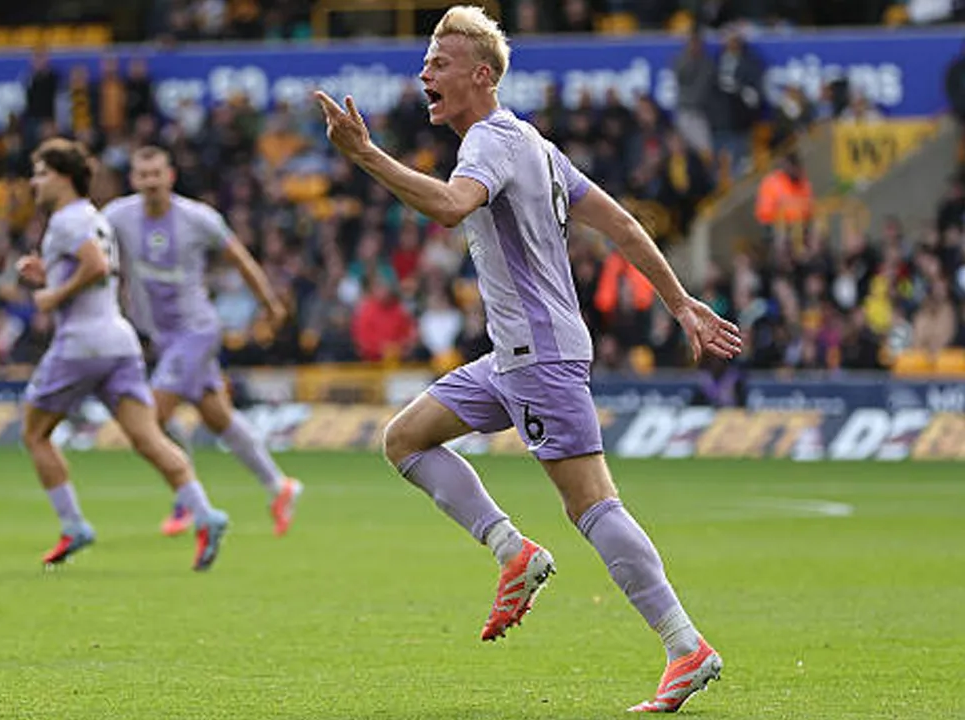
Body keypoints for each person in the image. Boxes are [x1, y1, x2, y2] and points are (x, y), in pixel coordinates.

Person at [314, 6, 742, 714]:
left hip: (537, 358)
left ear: (482, 77)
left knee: (593, 504)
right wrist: (682, 303)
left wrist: (364, 155)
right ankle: (513, 550)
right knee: (406, 439)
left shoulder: (487, 142)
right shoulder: (535, 145)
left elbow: (453, 206)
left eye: (439, 62)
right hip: (512, 357)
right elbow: (624, 224)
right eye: (426, 61)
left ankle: (683, 645)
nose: (424, 72)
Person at [16, 138, 228, 571]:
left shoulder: (66, 220)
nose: (33, 181)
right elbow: (100, 269)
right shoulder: (96, 217)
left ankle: (73, 524)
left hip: (80, 344)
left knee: (35, 434)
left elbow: (93, 266)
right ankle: (205, 513)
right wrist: (49, 272)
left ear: (63, 177)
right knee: (148, 437)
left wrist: (52, 294)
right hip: (119, 340)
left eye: (41, 173)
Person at [100, 146, 304, 538]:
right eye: (143, 175)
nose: (150, 182)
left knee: (152, 417)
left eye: (156, 173)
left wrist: (271, 306)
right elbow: (89, 249)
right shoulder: (118, 217)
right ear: (133, 180)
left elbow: (241, 259)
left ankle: (186, 500)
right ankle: (279, 487)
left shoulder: (198, 218)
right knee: (217, 417)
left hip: (196, 331)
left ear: (170, 175)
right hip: (162, 336)